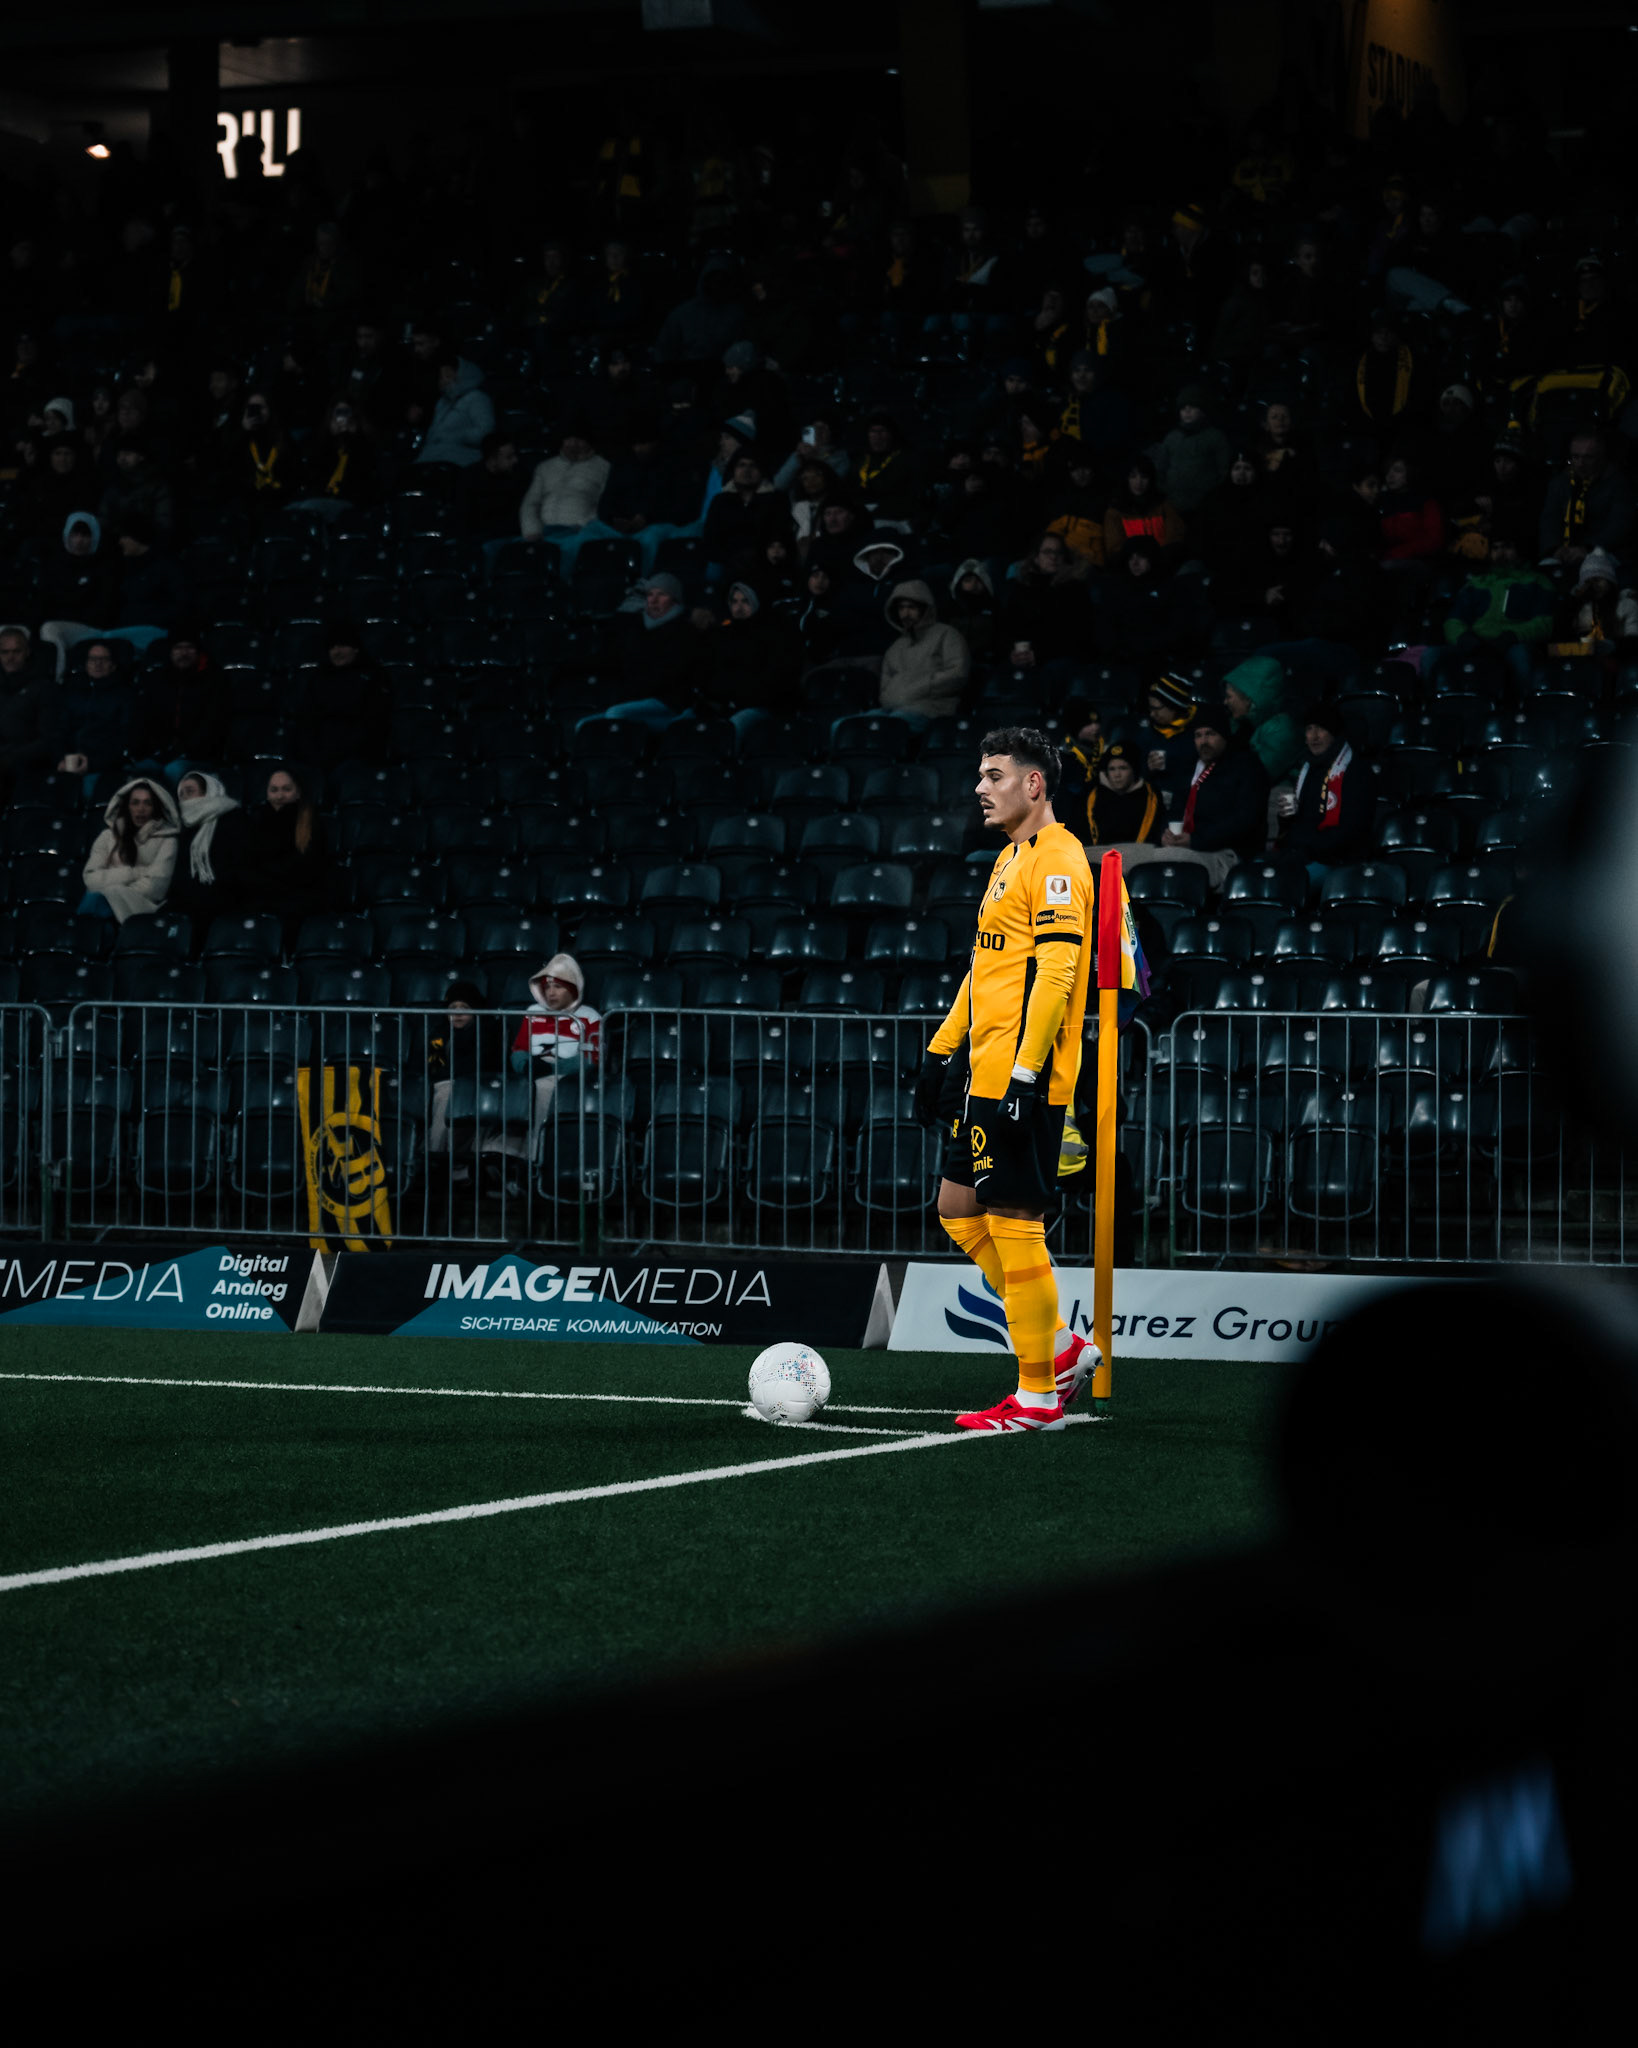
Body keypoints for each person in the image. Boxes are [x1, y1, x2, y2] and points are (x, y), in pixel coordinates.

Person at [911, 727, 1096, 1433]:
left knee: (1015, 1225)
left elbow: (1057, 974)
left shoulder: (1059, 859)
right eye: (980, 775)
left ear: (1034, 783)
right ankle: (1061, 1346)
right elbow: (984, 967)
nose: (980, 788)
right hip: (983, 1072)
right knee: (958, 1209)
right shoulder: (1008, 858)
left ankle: (1038, 1397)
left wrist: (1024, 1074)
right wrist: (940, 1051)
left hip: (1024, 1078)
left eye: (994, 775)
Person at [1126, 704, 1266, 890]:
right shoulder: (1191, 767)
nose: (1203, 741)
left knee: (1149, 862)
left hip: (1225, 854)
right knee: (1111, 856)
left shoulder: (1245, 767)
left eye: (1210, 734)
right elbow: (1175, 810)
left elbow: (1244, 821)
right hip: (1184, 847)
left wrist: (1195, 840)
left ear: (1224, 735)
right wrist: (1165, 834)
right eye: (1198, 735)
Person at [493, 955, 603, 1170]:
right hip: (531, 1073)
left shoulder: (590, 1016)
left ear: (573, 988)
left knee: (543, 1088)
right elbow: (519, 1048)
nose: (551, 993)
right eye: (547, 987)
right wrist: (526, 1066)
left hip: (568, 1079)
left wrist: (552, 1068)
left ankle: (535, 1160)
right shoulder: (532, 1012)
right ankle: (500, 1153)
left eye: (558, 987)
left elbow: (592, 1059)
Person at [425, 980, 510, 1179]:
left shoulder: (487, 1032)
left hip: (474, 1088)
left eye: (464, 1007)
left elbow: (481, 1065)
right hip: (441, 1087)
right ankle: (435, 1159)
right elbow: (430, 1066)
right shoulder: (438, 1034)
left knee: (449, 1092)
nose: (457, 1013)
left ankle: (436, 1157)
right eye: (452, 1008)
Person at [1279, 705, 1371, 881]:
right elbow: (1296, 826)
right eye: (1309, 729)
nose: (1314, 736)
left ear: (1333, 733)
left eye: (1321, 729)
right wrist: (1285, 817)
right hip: (1305, 854)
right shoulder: (1307, 768)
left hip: (1337, 861)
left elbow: (1350, 831)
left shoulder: (1355, 771)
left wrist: (1304, 846)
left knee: (1286, 881)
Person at [246, 765, 331, 946]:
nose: (280, 796)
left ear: (298, 792)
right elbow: (247, 862)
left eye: (286, 789)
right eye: (274, 790)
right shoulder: (256, 820)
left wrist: (269, 876)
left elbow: (309, 864)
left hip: (297, 895)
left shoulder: (310, 821)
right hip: (261, 893)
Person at [80, 775, 179, 922]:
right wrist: (135, 873)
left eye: (148, 803)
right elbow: (91, 879)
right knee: (95, 903)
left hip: (142, 907)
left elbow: (155, 888)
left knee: (95, 902)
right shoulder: (107, 836)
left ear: (155, 808)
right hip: (103, 902)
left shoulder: (168, 840)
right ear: (127, 806)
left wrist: (114, 889)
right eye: (135, 803)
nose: (141, 809)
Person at [168, 768, 250, 938]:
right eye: (181, 794)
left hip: (225, 898)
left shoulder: (234, 818)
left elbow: (238, 865)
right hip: (190, 900)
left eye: (190, 791)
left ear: (208, 792)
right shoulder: (184, 826)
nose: (185, 798)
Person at [1538, 432, 1635, 572]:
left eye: (1588, 457)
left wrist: (1589, 548)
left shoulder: (1618, 484)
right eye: (1575, 457)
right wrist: (1554, 548)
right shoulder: (1560, 483)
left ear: (1601, 458)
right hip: (1564, 552)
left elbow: (1619, 525)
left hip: (1605, 552)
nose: (1580, 464)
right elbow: (1550, 519)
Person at [878, 580, 970, 726]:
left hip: (932, 710)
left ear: (925, 608)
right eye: (901, 608)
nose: (905, 614)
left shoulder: (946, 634)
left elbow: (957, 674)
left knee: (891, 726)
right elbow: (884, 687)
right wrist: (894, 697)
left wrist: (921, 687)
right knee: (848, 725)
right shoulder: (895, 647)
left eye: (911, 607)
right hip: (892, 709)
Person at [139, 627, 229, 771]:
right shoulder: (159, 679)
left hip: (200, 755)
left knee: (174, 770)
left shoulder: (214, 679)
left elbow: (212, 723)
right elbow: (148, 720)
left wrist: (184, 750)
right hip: (163, 753)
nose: (184, 653)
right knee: (139, 770)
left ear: (198, 651)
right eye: (178, 648)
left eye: (189, 647)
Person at [1066, 740, 1163, 851]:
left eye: (1123, 768)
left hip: (1140, 856)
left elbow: (1155, 832)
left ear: (1134, 770)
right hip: (1096, 856)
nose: (1117, 774)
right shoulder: (1091, 794)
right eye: (1112, 769)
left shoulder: (1150, 795)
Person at [1149, 385, 1231, 515]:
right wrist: (1165, 490)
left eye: (1192, 407)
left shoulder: (1215, 437)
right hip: (1174, 503)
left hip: (1205, 506)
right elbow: (1161, 468)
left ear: (1203, 410)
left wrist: (1212, 495)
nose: (1187, 411)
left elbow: (1224, 470)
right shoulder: (1172, 438)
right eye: (1183, 408)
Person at [0, 625, 55, 797]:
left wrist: (10, 756)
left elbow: (49, 739)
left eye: (16, 651)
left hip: (25, 762)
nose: (10, 657)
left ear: (27, 652)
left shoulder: (43, 687)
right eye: (4, 652)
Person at [415, 350, 495, 469]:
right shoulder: (443, 402)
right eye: (442, 377)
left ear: (462, 375)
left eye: (448, 376)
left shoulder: (477, 398)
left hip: (459, 460)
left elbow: (485, 432)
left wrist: (457, 437)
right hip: (433, 457)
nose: (444, 381)